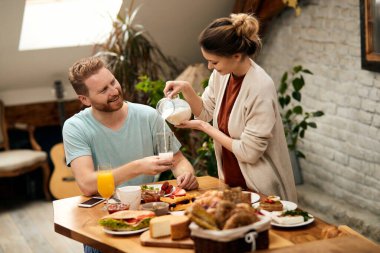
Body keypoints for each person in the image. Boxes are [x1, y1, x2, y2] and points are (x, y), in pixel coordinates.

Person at [63, 56, 198, 253]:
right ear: (84, 99)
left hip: (150, 213)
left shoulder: (148, 115)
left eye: (113, 82)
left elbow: (177, 160)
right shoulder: (75, 127)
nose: (114, 91)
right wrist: (138, 167)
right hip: (106, 220)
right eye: (103, 90)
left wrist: (185, 175)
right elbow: (87, 184)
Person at [164, 13, 297, 202]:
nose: (210, 66)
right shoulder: (223, 74)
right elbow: (205, 113)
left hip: (261, 191)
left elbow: (249, 153)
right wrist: (186, 88)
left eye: (214, 61)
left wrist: (204, 128)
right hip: (231, 185)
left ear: (236, 56)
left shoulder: (261, 88)